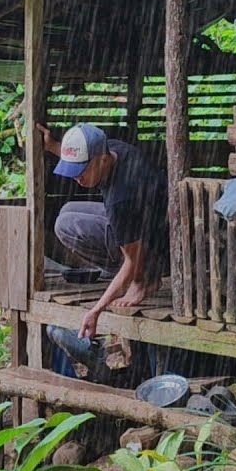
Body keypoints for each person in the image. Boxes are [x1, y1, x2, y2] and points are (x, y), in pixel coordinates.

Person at [37, 122, 170, 340]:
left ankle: (143, 280)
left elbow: (131, 261)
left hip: (157, 249)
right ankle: (141, 274)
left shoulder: (121, 198)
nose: (77, 178)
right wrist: (52, 145)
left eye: (81, 170)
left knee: (66, 226)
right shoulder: (116, 150)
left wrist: (96, 309)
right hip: (154, 225)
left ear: (103, 160)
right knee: (68, 211)